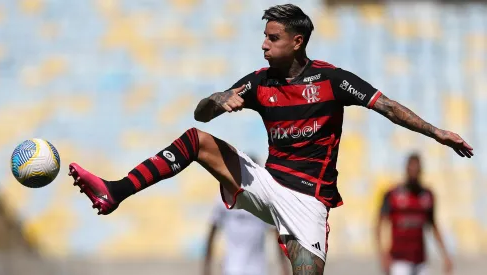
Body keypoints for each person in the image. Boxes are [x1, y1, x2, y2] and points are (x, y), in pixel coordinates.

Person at [68, 4, 473, 274]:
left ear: (297, 42)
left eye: (273, 37)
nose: (263, 44)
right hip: (268, 183)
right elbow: (200, 113)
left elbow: (388, 106)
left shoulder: (333, 81)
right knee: (196, 138)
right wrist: (216, 99)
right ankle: (114, 191)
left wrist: (437, 133)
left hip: (309, 202)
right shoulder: (258, 83)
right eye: (264, 36)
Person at [375, 154, 453, 275]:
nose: (414, 172)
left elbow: (433, 226)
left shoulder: (427, 195)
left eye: (417, 169)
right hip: (399, 261)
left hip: (420, 260)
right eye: (411, 168)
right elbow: (379, 225)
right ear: (406, 169)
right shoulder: (392, 195)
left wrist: (445, 255)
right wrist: (383, 255)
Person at [203, 195, 290, 275]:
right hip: (231, 269)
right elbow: (212, 232)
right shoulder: (223, 198)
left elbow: (276, 233)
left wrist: (284, 265)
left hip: (257, 270)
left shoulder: (262, 199)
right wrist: (207, 266)